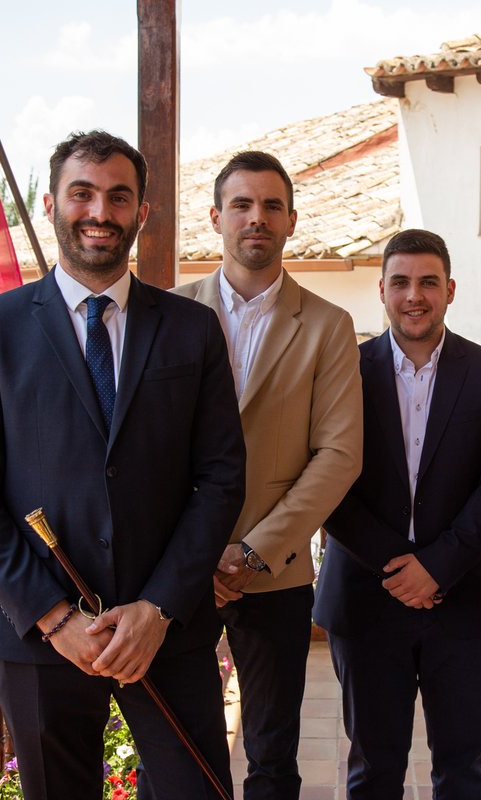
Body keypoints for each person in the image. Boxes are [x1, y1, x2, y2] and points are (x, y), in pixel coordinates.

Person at [0, 130, 245, 800]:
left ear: (143, 212)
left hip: (168, 632)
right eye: (82, 193)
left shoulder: (191, 329)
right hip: (43, 639)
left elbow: (221, 478)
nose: (99, 211)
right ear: (50, 204)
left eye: (118, 196)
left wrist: (158, 609)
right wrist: (52, 615)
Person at [171, 150, 363, 800]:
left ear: (291, 221)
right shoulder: (166, 314)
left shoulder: (329, 326)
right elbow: (145, 453)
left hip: (275, 573)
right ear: (216, 217)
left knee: (272, 756)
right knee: (173, 749)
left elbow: (338, 454)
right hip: (176, 573)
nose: (258, 217)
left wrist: (252, 552)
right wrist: (198, 559)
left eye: (272, 206)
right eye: (243, 205)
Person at [313, 228, 481, 799]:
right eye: (401, 282)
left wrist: (437, 568)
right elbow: (325, 479)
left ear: (450, 290)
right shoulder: (342, 371)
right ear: (381, 290)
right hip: (364, 598)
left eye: (428, 282)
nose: (415, 295)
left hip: (462, 599)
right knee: (373, 768)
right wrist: (397, 565)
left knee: (461, 768)